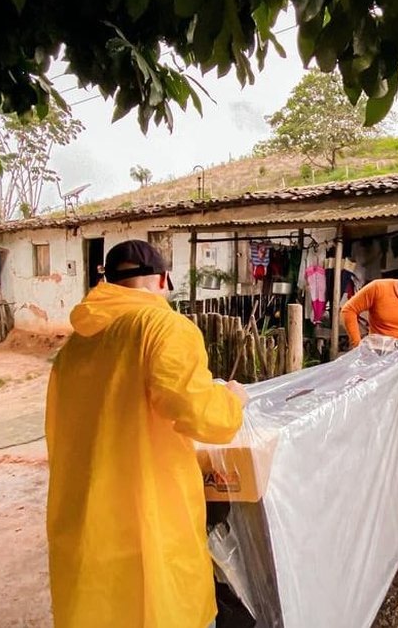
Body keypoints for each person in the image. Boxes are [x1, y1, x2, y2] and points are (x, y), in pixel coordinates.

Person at [46, 239, 248, 628]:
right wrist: (232, 400)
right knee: (164, 607)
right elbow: (204, 418)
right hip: (150, 516)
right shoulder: (161, 327)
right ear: (162, 280)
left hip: (87, 523)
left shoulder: (74, 347)